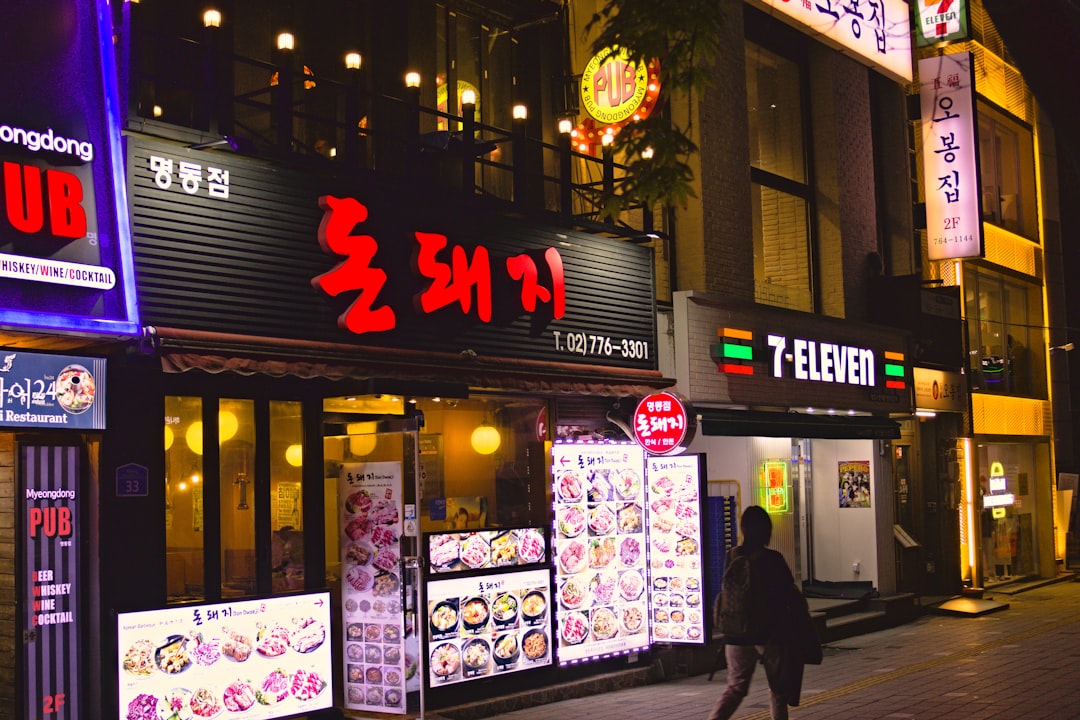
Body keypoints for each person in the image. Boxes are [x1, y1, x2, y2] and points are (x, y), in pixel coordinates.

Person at [708, 506, 804, 720]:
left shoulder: (732, 555)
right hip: (767, 634)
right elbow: (788, 594)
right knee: (778, 690)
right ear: (766, 530)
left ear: (744, 529)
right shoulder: (773, 559)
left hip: (735, 632)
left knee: (735, 688)